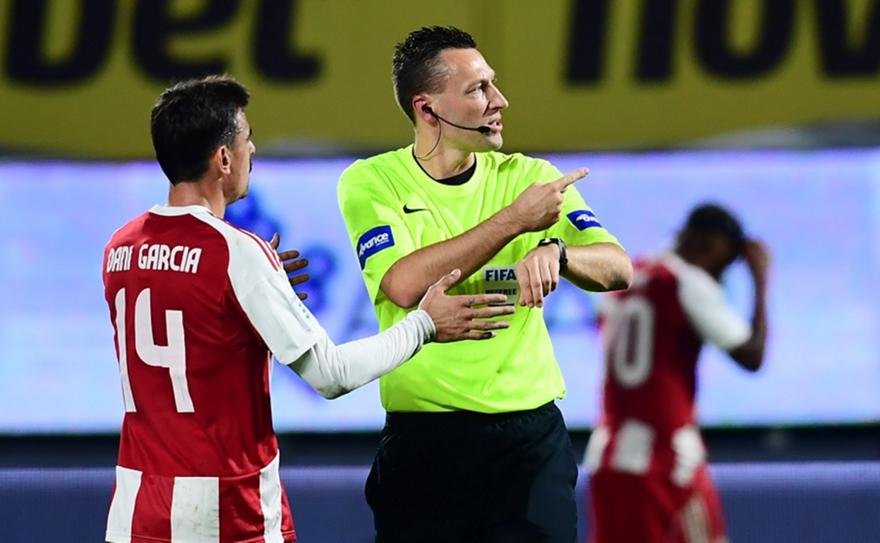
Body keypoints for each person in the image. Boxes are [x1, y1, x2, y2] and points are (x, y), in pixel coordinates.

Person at [101, 74, 514, 543]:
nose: (252, 150)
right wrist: (424, 324)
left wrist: (259, 292)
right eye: (247, 138)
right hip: (226, 511)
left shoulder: (120, 247)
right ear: (223, 159)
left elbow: (193, 322)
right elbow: (331, 374)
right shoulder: (235, 253)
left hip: (136, 510)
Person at [336, 26, 633, 542]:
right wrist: (516, 222)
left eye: (492, 84)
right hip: (424, 443)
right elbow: (403, 283)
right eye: (478, 89)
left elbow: (618, 267)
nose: (500, 101)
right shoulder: (372, 181)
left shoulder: (529, 177)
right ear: (427, 109)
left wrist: (560, 253)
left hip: (529, 443)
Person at [585, 203, 770, 543]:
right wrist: (761, 280)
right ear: (709, 245)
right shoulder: (686, 282)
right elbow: (752, 356)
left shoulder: (630, 272)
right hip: (665, 458)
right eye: (724, 263)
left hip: (609, 454)